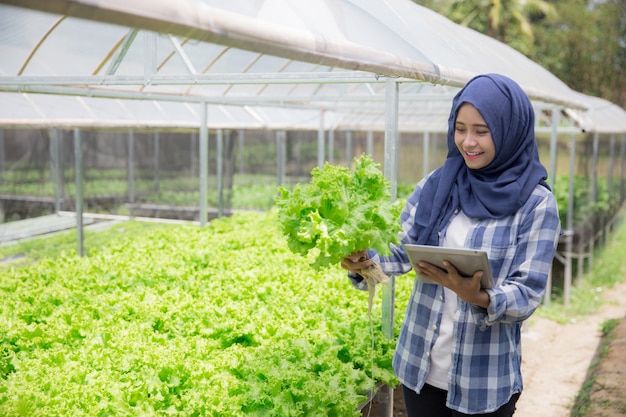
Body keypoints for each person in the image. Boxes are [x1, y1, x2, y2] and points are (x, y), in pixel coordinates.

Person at [341, 73, 561, 416]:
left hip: (483, 379)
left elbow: (528, 292)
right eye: (460, 128)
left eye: (482, 131)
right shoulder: (439, 182)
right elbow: (401, 249)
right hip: (420, 366)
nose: (468, 142)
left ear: (509, 131)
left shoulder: (535, 203)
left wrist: (479, 296)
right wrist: (364, 260)